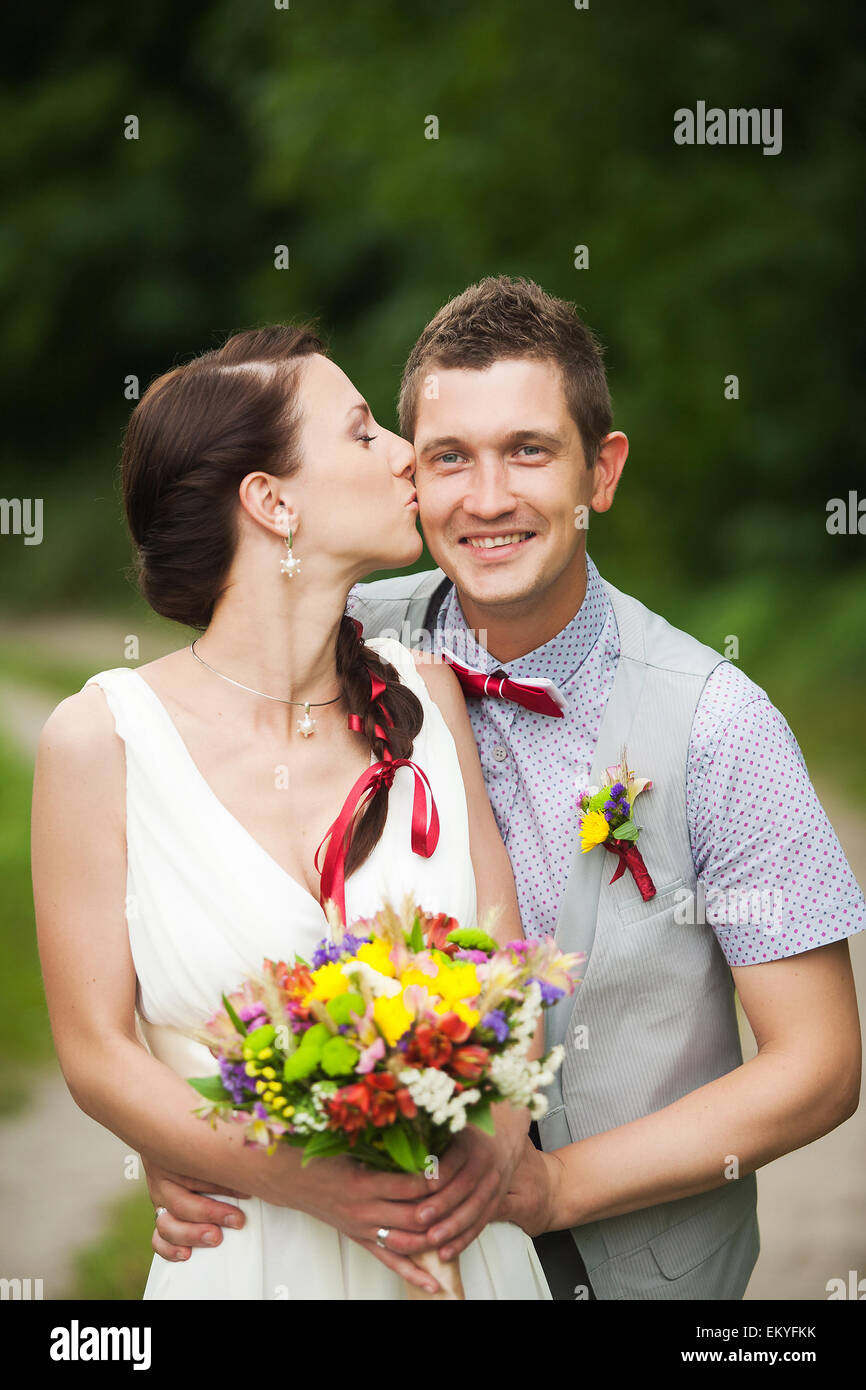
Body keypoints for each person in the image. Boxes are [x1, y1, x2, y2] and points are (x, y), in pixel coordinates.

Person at [152, 280, 864, 1300]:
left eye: (528, 451)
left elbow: (819, 1064)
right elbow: (199, 886)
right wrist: (204, 1152)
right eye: (448, 458)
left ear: (600, 472)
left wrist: (555, 1185)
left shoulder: (716, 722)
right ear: (408, 476)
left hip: (642, 1277)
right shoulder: (334, 640)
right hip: (374, 1268)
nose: (485, 499)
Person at [31, 324, 551, 1300]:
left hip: (459, 1251)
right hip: (250, 1255)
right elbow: (96, 1050)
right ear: (271, 502)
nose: (407, 455)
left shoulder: (429, 696)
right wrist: (306, 1183)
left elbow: (503, 960)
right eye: (361, 434)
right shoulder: (99, 739)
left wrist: (495, 1138)